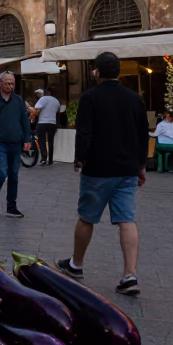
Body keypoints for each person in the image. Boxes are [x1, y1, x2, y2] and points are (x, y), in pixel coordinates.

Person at [55, 52, 149, 295]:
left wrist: (79, 159)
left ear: (96, 72)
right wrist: (141, 165)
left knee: (87, 217)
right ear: (119, 71)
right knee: (127, 219)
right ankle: (130, 275)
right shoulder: (134, 99)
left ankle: (76, 264)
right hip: (127, 169)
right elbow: (142, 135)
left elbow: (84, 132)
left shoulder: (90, 97)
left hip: (98, 168)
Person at [0, 70, 32, 218]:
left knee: (14, 175)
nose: (10, 85)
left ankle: (11, 206)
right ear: (0, 82)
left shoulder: (18, 100)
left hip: (15, 142)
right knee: (2, 173)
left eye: (12, 83)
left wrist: (27, 139)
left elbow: (24, 121)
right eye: (7, 82)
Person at [33, 88, 60, 165]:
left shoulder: (43, 99)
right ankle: (51, 159)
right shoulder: (56, 101)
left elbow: (36, 107)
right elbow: (58, 112)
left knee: (42, 141)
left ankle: (44, 158)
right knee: (51, 142)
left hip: (42, 122)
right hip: (52, 122)